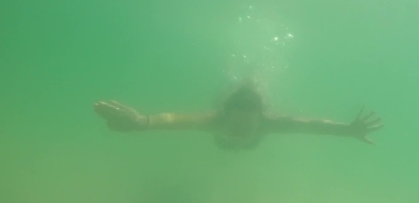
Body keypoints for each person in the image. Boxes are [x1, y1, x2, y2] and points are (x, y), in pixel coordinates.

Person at [93, 79, 383, 151]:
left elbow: (309, 126)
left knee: (247, 145)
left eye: (248, 122)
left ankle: (251, 84)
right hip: (221, 140)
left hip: (255, 142)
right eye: (235, 121)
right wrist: (141, 123)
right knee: (225, 146)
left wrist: (348, 130)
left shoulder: (270, 123)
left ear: (261, 117)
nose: (239, 129)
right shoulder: (213, 122)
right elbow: (175, 120)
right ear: (224, 114)